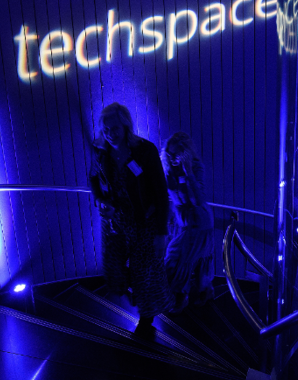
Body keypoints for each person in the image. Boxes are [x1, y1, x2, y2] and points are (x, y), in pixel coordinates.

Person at [89, 103, 173, 332]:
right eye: (106, 129)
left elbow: (160, 192)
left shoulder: (145, 151)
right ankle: (134, 287)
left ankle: (146, 320)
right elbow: (94, 178)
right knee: (113, 271)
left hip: (144, 222)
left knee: (145, 275)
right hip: (114, 221)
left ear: (126, 125)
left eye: (114, 128)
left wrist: (161, 233)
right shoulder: (101, 150)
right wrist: (99, 200)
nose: (110, 134)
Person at [162, 132, 214, 312]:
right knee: (175, 257)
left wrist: (188, 172)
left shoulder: (196, 167)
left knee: (187, 259)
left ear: (185, 153)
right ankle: (190, 294)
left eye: (176, 154)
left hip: (200, 222)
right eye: (169, 154)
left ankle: (182, 296)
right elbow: (174, 199)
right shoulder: (169, 170)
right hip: (183, 222)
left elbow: (199, 199)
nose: (173, 157)